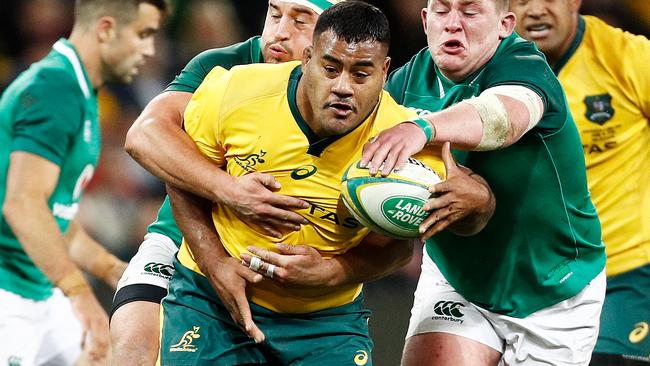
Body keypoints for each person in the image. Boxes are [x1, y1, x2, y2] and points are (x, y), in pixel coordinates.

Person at [159, 2, 492, 364]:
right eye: (330, 68)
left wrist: (332, 272)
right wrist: (215, 263)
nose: (343, 87)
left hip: (325, 323)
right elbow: (181, 177)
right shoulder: (236, 90)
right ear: (306, 59)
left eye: (361, 74)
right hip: (211, 301)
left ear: (384, 71)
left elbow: (397, 248)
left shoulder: (405, 145)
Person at [360, 0, 608, 364]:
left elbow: (502, 118)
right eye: (442, 11)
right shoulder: (405, 83)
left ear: (505, 24)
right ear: (426, 20)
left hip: (552, 289)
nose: (453, 24)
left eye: (470, 12)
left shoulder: (525, 67)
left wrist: (423, 127)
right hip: (459, 278)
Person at [111, 1, 345, 364]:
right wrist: (230, 190)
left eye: (301, 20)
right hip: (182, 241)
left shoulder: (352, 93)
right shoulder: (222, 65)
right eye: (274, 13)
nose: (280, 31)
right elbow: (144, 135)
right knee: (134, 345)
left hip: (288, 272)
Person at [0, 0, 168, 365]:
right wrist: (79, 294)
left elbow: (51, 214)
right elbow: (22, 204)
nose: (150, 49)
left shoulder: (78, 90)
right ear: (106, 28)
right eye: (143, 34)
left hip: (37, 291)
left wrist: (111, 268)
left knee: (116, 355)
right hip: (9, 295)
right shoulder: (54, 88)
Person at [510, 1, 650, 364]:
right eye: (522, 0)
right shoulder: (489, 71)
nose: (537, 10)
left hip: (625, 271)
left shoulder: (626, 57)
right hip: (532, 280)